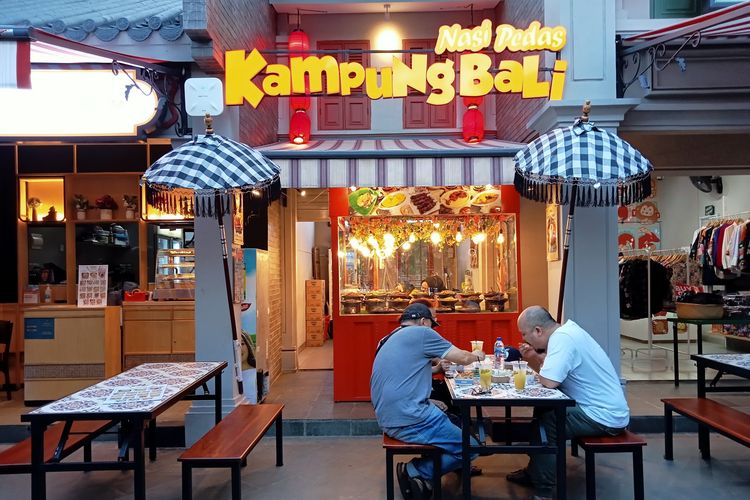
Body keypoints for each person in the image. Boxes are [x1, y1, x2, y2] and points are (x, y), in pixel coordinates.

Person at [507, 306, 630, 498]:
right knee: (543, 411)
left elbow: (549, 381)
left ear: (538, 330)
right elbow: (552, 371)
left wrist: (535, 359)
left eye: (525, 334)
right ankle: (535, 471)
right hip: (598, 409)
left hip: (603, 415)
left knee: (549, 422)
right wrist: (536, 356)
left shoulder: (563, 338)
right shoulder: (567, 332)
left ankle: (544, 490)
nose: (524, 339)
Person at [370, 303, 485, 500]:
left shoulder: (388, 337)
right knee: (471, 446)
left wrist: (435, 371)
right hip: (408, 419)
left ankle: (428, 472)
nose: (433, 330)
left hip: (389, 414)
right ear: (424, 321)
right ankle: (417, 471)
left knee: (452, 419)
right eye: (432, 324)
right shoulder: (422, 333)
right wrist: (477, 355)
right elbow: (463, 358)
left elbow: (403, 371)